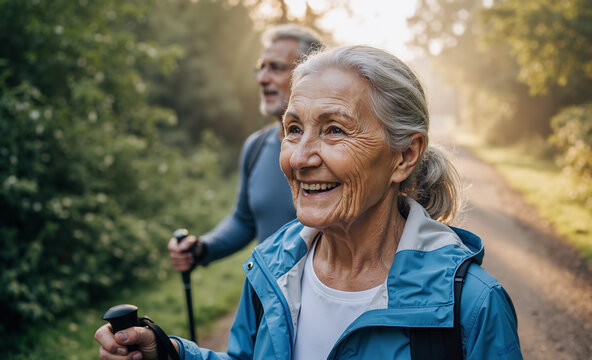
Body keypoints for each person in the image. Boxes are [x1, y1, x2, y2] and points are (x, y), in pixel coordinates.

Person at [95, 45, 523, 359]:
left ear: (405, 156)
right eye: (294, 129)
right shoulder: (273, 268)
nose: (299, 158)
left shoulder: (472, 303)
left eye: (335, 130)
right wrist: (170, 355)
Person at [168, 24, 324, 272]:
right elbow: (244, 220)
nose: (262, 79)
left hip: (327, 304)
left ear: (311, 74)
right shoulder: (256, 147)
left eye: (276, 68)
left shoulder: (337, 149)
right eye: (261, 67)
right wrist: (203, 248)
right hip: (268, 303)